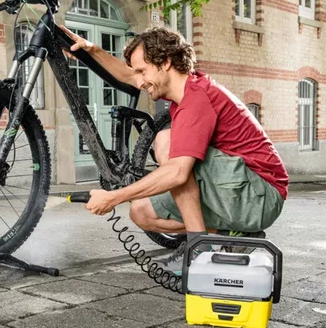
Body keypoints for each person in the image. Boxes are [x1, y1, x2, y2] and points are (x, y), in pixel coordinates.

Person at [60, 25, 288, 275]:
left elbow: (178, 173)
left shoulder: (197, 99)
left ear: (166, 62)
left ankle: (199, 244)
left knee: (166, 141)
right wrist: (92, 50)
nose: (139, 80)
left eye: (143, 71)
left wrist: (113, 197)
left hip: (261, 195)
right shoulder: (183, 95)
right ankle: (229, 235)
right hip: (236, 191)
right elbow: (127, 76)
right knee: (141, 212)